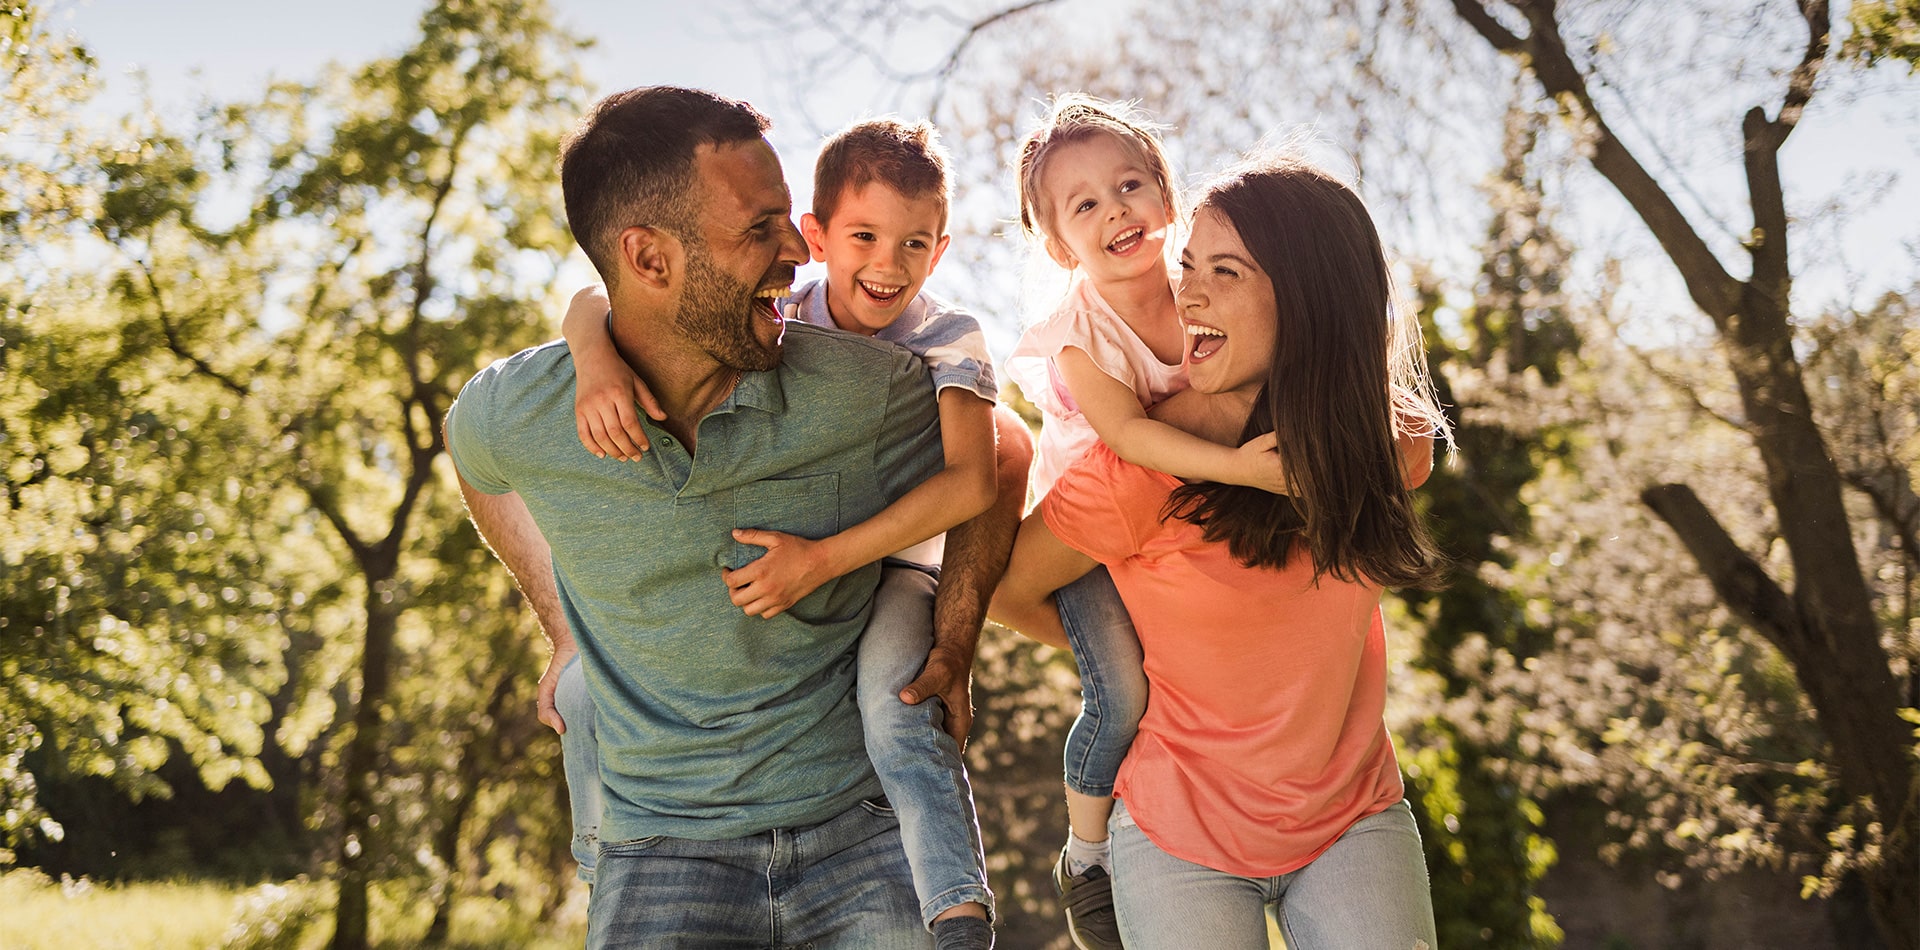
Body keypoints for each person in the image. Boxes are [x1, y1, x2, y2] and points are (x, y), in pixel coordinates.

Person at [444, 86, 1022, 950]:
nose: (799, 250)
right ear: (647, 259)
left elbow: (1002, 453)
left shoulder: (862, 387)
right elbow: (474, 459)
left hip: (855, 833)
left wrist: (956, 637)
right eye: (761, 228)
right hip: (658, 849)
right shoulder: (521, 411)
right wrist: (561, 626)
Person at [989, 153, 1448, 949]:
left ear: (1308, 295)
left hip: (1352, 817)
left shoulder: (1394, 443)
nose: (1187, 291)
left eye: (1224, 271)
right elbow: (1008, 592)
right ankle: (1088, 860)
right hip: (1178, 834)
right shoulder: (1138, 468)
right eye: (1188, 264)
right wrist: (1138, 667)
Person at [1001, 94, 1287, 950]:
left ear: (1168, 197)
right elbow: (1127, 436)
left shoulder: (1201, 287)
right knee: (1121, 690)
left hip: (1165, 520)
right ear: (1058, 245)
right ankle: (1087, 856)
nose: (1116, 210)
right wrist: (1241, 466)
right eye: (1084, 205)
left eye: (1132, 185)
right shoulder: (1078, 332)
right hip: (1085, 536)